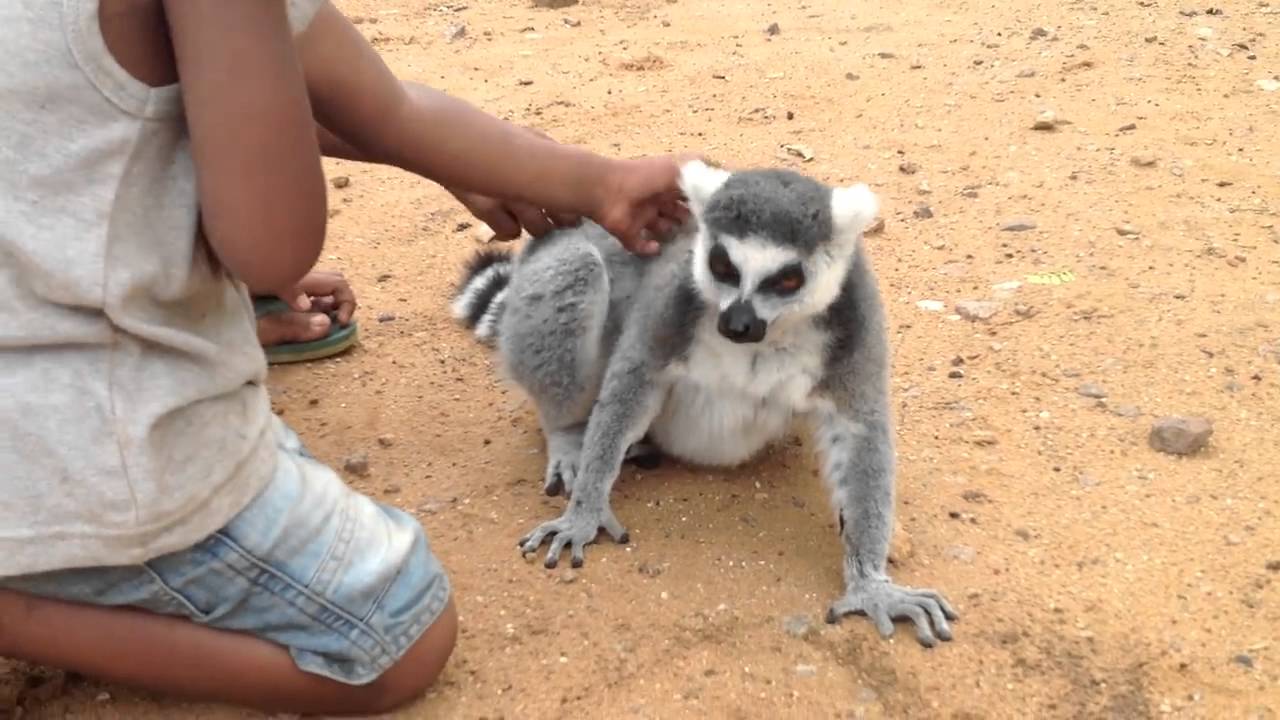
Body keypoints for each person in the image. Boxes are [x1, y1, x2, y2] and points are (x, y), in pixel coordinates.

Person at [0, 0, 691, 715]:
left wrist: (588, 181)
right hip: (62, 449)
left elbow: (365, 103)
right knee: (395, 630)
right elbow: (272, 241)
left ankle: (194, 313)